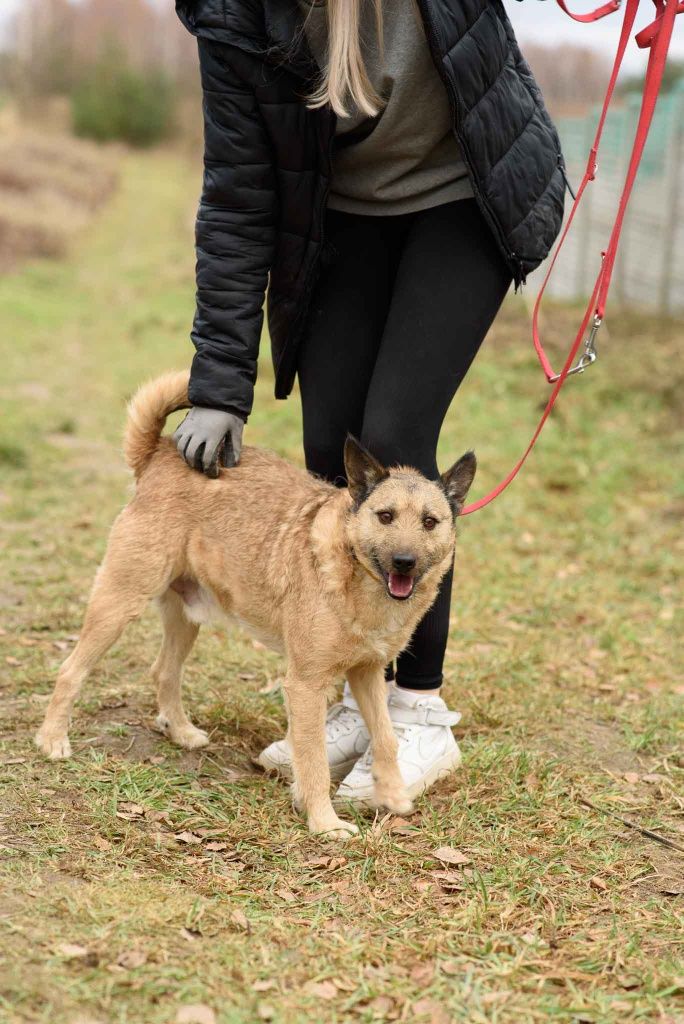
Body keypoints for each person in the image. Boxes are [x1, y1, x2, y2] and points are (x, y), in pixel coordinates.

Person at [174, 0, 566, 803]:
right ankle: (356, 681)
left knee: (393, 446)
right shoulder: (233, 12)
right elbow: (240, 192)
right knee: (336, 453)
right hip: (338, 215)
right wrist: (219, 379)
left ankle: (418, 710)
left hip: (464, 196)